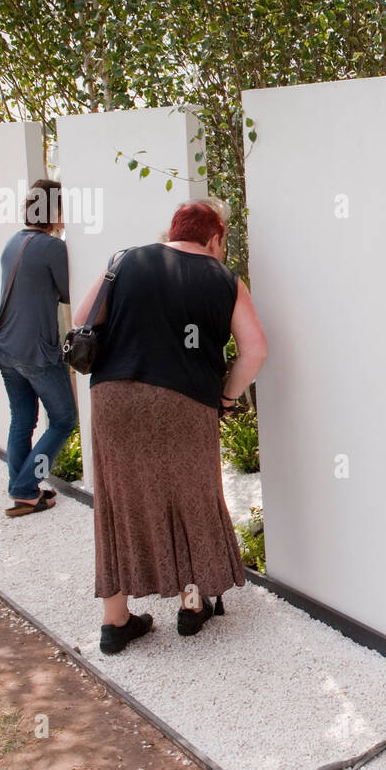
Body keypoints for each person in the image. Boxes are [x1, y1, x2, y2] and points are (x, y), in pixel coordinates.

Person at [72, 200, 267, 654]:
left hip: (114, 397)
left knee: (116, 503)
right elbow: (254, 350)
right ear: (215, 239)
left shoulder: (125, 261)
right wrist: (226, 397)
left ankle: (115, 622)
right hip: (186, 402)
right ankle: (191, 606)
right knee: (189, 498)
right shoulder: (224, 280)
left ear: (172, 231)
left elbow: (83, 320)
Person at [0, 180, 77, 517]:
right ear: (54, 210)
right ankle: (25, 485)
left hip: (5, 345)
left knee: (22, 420)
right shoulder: (52, 247)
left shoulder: (14, 242)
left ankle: (24, 490)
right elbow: (69, 292)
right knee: (63, 420)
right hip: (37, 351)